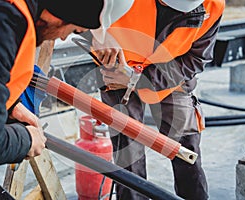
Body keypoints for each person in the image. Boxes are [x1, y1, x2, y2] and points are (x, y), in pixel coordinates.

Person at [0, 0, 133, 168]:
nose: (64, 37)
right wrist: (26, 140)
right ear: (62, 13)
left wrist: (11, 105)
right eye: (73, 29)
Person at [90, 0, 225, 199]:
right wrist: (97, 31)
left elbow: (195, 59)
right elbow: (80, 10)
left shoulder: (213, 6)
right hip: (119, 71)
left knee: (185, 147)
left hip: (171, 73)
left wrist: (140, 80)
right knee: (128, 150)